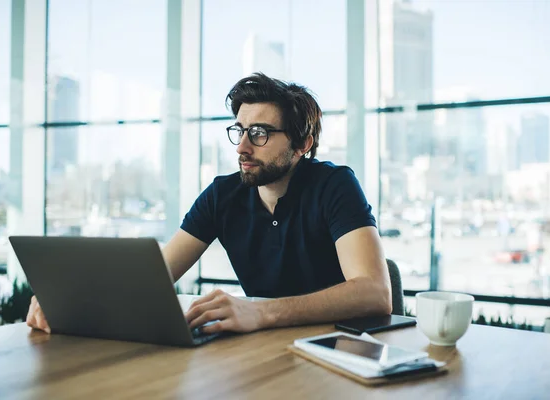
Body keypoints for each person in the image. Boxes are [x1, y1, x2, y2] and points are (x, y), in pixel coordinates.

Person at [26, 73, 392, 335]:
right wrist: (72, 302)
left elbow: (375, 293)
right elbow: (155, 277)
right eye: (239, 130)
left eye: (260, 133)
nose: (242, 147)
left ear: (303, 144)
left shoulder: (335, 185)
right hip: (265, 351)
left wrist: (260, 313)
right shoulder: (222, 195)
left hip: (342, 351)